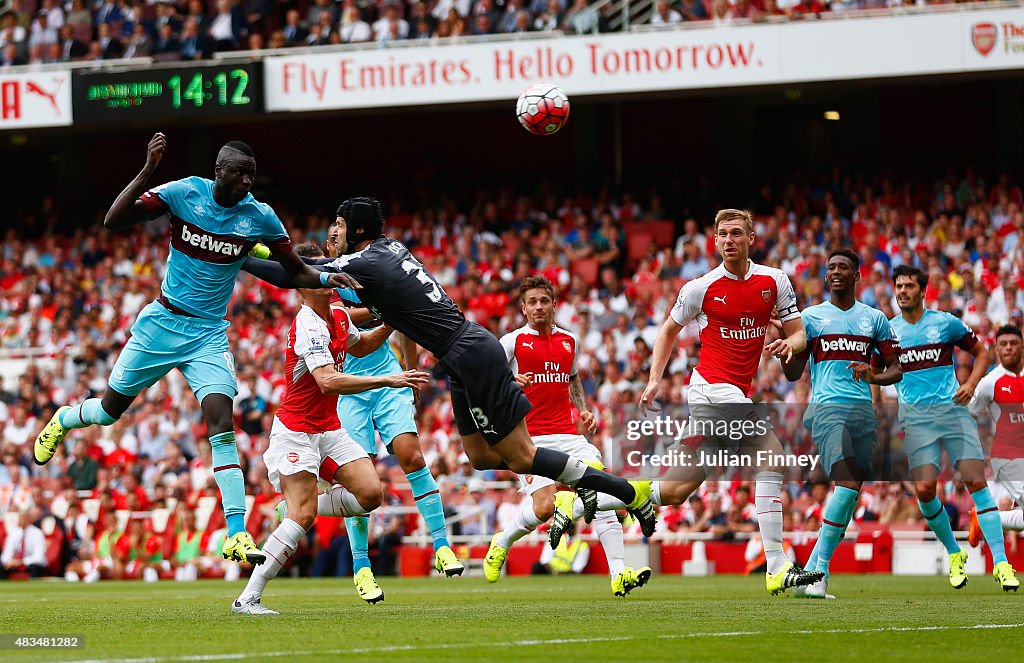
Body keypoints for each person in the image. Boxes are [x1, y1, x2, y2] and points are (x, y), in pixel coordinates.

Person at [242, 197, 657, 536]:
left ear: (358, 229)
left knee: (523, 456)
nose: (334, 231)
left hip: (470, 352)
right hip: (461, 356)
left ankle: (624, 491)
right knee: (479, 456)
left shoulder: (366, 262)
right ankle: (596, 485)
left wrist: (237, 255)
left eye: (339, 223)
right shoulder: (389, 251)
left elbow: (294, 277)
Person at [31, 134, 354, 566]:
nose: (248, 184)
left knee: (222, 419)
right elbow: (114, 221)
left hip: (207, 335)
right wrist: (147, 170)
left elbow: (289, 273)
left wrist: (326, 278)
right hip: (163, 322)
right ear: (219, 171)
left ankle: (236, 533)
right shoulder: (184, 192)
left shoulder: (259, 216)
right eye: (241, 176)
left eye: (252, 178)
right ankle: (64, 419)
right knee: (109, 411)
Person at [549, 208, 823, 595]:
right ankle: (776, 565)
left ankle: (573, 507)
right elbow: (668, 330)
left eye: (735, 233)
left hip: (730, 395)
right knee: (772, 452)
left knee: (673, 490)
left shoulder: (774, 281)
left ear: (750, 239)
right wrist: (654, 380)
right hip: (711, 388)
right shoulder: (701, 287)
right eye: (722, 234)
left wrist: (787, 342)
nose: (728, 240)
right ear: (714, 242)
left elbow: (799, 336)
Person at [233, 242, 430, 614]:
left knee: (371, 494)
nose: (323, 277)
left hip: (328, 428)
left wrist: (391, 321)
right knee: (302, 517)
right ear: (300, 285)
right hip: (296, 431)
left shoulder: (338, 314)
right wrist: (389, 379)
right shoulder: (307, 324)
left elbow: (359, 346)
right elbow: (328, 381)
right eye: (313, 273)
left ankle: (294, 506)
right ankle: (249, 597)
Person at [483, 274, 651, 597]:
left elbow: (572, 380)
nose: (538, 307)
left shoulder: (569, 342)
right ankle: (501, 542)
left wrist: (583, 409)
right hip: (528, 439)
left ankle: (619, 572)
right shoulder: (511, 342)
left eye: (544, 300)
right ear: (523, 308)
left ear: (555, 305)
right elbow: (488, 384)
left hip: (567, 434)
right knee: (545, 508)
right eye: (532, 302)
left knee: (600, 489)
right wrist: (510, 384)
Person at [324, 219, 465, 593]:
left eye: (338, 228)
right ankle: (361, 566)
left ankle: (442, 545)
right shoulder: (325, 281)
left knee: (412, 457)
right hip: (350, 388)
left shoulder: (375, 272)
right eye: (330, 232)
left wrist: (409, 365)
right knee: (359, 478)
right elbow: (340, 320)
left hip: (389, 378)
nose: (334, 235)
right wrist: (383, 312)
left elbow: (402, 324)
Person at [780, 249, 903, 599]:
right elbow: (793, 372)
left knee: (848, 496)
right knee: (846, 482)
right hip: (827, 408)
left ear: (856, 275)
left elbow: (896, 368)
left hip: (863, 412)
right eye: (831, 267)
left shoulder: (875, 319)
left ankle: (814, 572)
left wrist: (874, 375)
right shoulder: (811, 318)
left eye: (843, 267)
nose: (835, 272)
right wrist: (787, 350)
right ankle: (819, 574)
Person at [889, 264, 1018, 591]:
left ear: (922, 289)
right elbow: (880, 369)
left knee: (976, 482)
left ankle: (1001, 563)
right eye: (898, 286)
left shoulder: (944, 323)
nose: (902, 291)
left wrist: (972, 384)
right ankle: (954, 552)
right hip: (917, 421)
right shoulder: (889, 331)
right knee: (925, 491)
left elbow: (981, 351)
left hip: (953, 412)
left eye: (908, 286)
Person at [967, 323, 1024, 590]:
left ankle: (986, 518)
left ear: (1021, 346)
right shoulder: (989, 383)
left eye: (1014, 343)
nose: (1009, 348)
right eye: (1004, 345)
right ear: (997, 349)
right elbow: (968, 415)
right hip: (1008, 457)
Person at [0, 511, 48, 579]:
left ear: (29, 519)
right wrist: (9, 562)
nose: (22, 521)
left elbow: (39, 557)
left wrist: (21, 562)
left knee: (34, 567)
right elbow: (6, 553)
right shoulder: (14, 533)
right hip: (16, 563)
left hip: (32, 564)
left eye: (24, 519)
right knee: (2, 566)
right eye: (20, 519)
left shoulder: (37, 533)